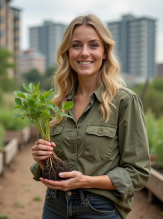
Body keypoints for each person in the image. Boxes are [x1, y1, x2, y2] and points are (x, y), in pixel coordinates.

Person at [30, 14, 150, 219]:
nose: (84, 53)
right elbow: (52, 166)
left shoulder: (124, 102)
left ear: (104, 52)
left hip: (99, 209)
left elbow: (138, 173)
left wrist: (85, 181)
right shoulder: (56, 104)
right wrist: (41, 160)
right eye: (76, 45)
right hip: (54, 206)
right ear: (68, 52)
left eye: (93, 45)